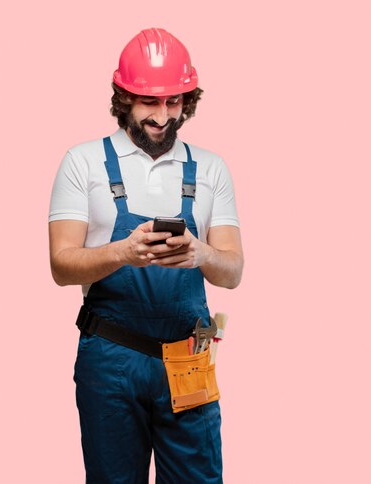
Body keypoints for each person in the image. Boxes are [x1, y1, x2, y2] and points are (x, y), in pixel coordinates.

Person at [49, 28, 243, 483]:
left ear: (188, 99)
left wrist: (201, 254)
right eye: (149, 102)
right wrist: (122, 252)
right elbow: (61, 264)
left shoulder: (211, 168)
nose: (162, 115)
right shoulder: (83, 163)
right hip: (110, 358)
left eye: (174, 101)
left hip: (188, 355)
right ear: (123, 97)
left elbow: (232, 271)